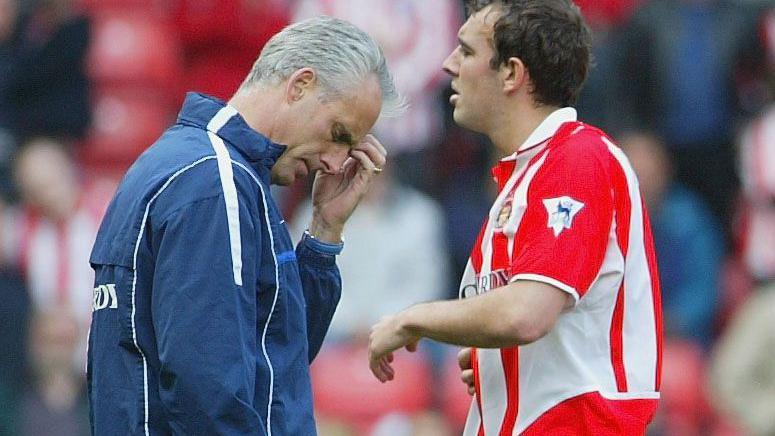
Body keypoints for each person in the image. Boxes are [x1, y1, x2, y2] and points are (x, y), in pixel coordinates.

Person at [87, 16, 402, 435]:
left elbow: (274, 358)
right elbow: (207, 391)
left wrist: (324, 230)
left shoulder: (194, 166)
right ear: (300, 85)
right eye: (338, 133)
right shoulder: (216, 181)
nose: (334, 161)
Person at [367, 1, 662, 435]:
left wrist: (411, 318)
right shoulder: (526, 178)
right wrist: (496, 362)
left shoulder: (577, 160)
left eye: (466, 52)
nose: (449, 64)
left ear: (511, 73)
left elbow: (526, 314)